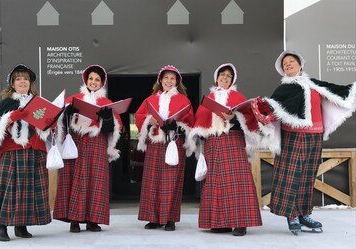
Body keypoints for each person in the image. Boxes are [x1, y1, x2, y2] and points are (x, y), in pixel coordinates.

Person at [263, 50, 356, 235]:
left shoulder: (314, 84)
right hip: (293, 136)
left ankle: (304, 213)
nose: (288, 64)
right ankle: (292, 215)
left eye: (291, 61)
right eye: (285, 64)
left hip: (315, 135)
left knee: (308, 176)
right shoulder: (284, 89)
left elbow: (339, 92)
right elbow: (272, 108)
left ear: (300, 65)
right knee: (291, 176)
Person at [188, 63, 263, 236]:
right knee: (216, 182)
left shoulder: (238, 97)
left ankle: (241, 223)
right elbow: (199, 124)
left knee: (237, 182)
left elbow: (250, 120)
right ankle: (219, 223)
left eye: (229, 76)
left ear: (232, 80)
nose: (225, 77)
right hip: (213, 142)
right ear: (216, 78)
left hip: (233, 140)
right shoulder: (209, 99)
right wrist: (200, 134)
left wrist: (234, 117)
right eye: (222, 74)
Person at [0, 64, 52, 241]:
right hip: (13, 151)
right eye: (18, 79)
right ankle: (2, 227)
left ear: (30, 83)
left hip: (34, 151)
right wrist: (10, 117)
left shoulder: (38, 103)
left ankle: (21, 226)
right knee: (9, 189)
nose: (22, 81)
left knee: (28, 190)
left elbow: (44, 127)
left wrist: (50, 123)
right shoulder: (7, 103)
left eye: (26, 79)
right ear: (12, 84)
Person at [53, 65, 122, 232]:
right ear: (86, 80)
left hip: (97, 143)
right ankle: (74, 220)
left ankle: (93, 220)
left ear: (102, 83)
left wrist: (106, 119)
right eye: (91, 78)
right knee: (75, 180)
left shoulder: (106, 103)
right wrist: (67, 113)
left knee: (96, 182)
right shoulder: (74, 98)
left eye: (97, 80)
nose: (93, 82)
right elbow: (60, 124)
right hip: (76, 143)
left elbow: (113, 130)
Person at [135, 65, 194, 231]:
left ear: (177, 82)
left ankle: (170, 219)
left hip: (174, 143)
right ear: (160, 80)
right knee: (152, 180)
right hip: (155, 143)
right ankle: (153, 218)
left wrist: (176, 126)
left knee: (172, 181)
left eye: (172, 78)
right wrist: (149, 121)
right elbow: (140, 118)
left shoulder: (184, 100)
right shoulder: (150, 99)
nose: (169, 81)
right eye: (166, 78)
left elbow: (190, 123)